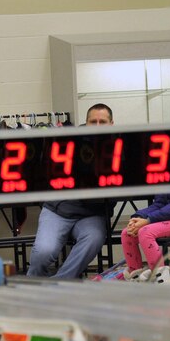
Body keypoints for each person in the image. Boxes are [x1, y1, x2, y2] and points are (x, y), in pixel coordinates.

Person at [26, 103, 112, 279]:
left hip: (91, 215)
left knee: (93, 239)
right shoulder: (68, 140)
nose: (97, 126)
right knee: (43, 252)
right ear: (86, 122)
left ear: (111, 124)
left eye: (102, 122)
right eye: (92, 121)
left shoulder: (121, 147)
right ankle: (32, 287)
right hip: (57, 211)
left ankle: (57, 285)